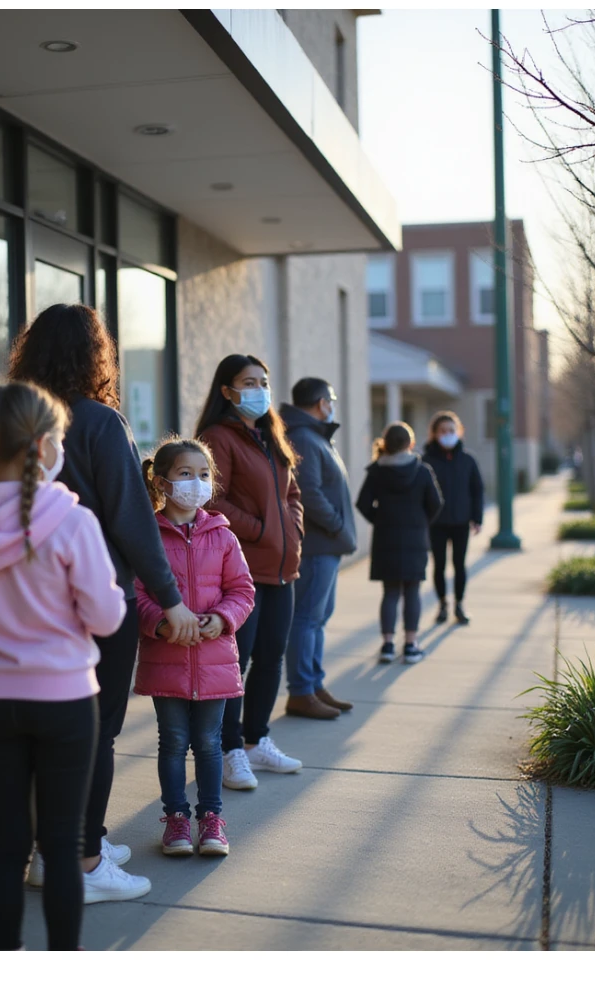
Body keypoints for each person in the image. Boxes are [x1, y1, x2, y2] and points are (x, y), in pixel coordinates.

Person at [8, 304, 201, 900]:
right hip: (94, 599)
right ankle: (84, 863)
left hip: (29, 602)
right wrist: (171, 599)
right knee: (95, 735)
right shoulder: (98, 421)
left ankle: (54, 849)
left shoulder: (16, 419)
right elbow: (133, 520)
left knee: (54, 733)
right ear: (96, 354)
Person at [0, 381, 126, 951]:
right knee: (62, 846)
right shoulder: (73, 521)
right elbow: (108, 616)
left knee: (7, 844)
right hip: (65, 700)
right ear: (44, 445)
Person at [134, 438, 256, 856]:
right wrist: (160, 624)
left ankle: (211, 820)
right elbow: (137, 593)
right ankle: (177, 821)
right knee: (172, 741)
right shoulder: (146, 535)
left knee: (208, 742)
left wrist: (222, 619)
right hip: (166, 658)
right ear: (162, 482)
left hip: (215, 659)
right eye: (185, 474)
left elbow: (242, 590)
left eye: (203, 475)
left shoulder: (222, 535)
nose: (196, 482)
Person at [196, 354, 305, 790]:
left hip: (282, 569)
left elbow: (292, 491)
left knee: (271, 657)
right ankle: (229, 750)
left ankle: (257, 739)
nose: (259, 389)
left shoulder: (270, 435)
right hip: (244, 570)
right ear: (227, 390)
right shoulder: (218, 437)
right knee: (234, 663)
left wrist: (293, 529)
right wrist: (260, 529)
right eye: (249, 382)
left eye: (264, 381)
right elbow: (210, 499)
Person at [279, 378, 358, 719]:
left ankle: (314, 684)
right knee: (307, 619)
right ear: (321, 401)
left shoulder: (314, 436)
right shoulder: (304, 438)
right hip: (315, 546)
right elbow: (308, 493)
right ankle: (301, 691)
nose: (333, 404)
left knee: (318, 618)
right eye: (332, 399)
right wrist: (338, 528)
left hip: (327, 545)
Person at [355, 422, 443, 665]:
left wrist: (380, 520)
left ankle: (387, 645)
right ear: (411, 444)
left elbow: (362, 503)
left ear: (386, 444)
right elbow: (436, 503)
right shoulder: (422, 471)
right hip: (415, 538)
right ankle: (412, 645)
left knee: (390, 592)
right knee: (412, 591)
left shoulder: (376, 471)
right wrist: (421, 522)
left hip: (386, 538)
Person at [421, 411, 484, 625]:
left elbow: (477, 490)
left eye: (451, 430)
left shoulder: (468, 460)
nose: (447, 434)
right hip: (436, 523)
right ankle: (442, 605)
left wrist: (477, 517)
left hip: (461, 522)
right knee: (438, 565)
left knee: (459, 564)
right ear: (434, 434)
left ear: (458, 432)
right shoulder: (426, 460)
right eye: (443, 431)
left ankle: (459, 604)